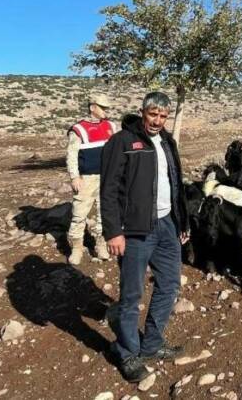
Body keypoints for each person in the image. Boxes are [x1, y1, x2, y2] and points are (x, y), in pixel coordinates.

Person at [100, 92, 191, 384]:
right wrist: (113, 231)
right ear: (142, 112)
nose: (158, 121)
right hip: (136, 229)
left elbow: (175, 183)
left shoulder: (167, 141)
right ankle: (126, 351)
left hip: (167, 225)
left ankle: (151, 343)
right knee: (131, 294)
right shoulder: (123, 142)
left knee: (169, 284)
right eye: (153, 114)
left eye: (163, 116)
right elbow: (109, 189)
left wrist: (182, 221)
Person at [65, 93, 119, 264]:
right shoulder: (78, 129)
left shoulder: (111, 126)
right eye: (102, 107)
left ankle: (101, 245)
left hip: (108, 177)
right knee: (79, 214)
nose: (105, 111)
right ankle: (77, 248)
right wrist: (74, 177)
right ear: (92, 107)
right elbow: (71, 155)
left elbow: (117, 150)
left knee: (105, 213)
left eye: (106, 108)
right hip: (86, 179)